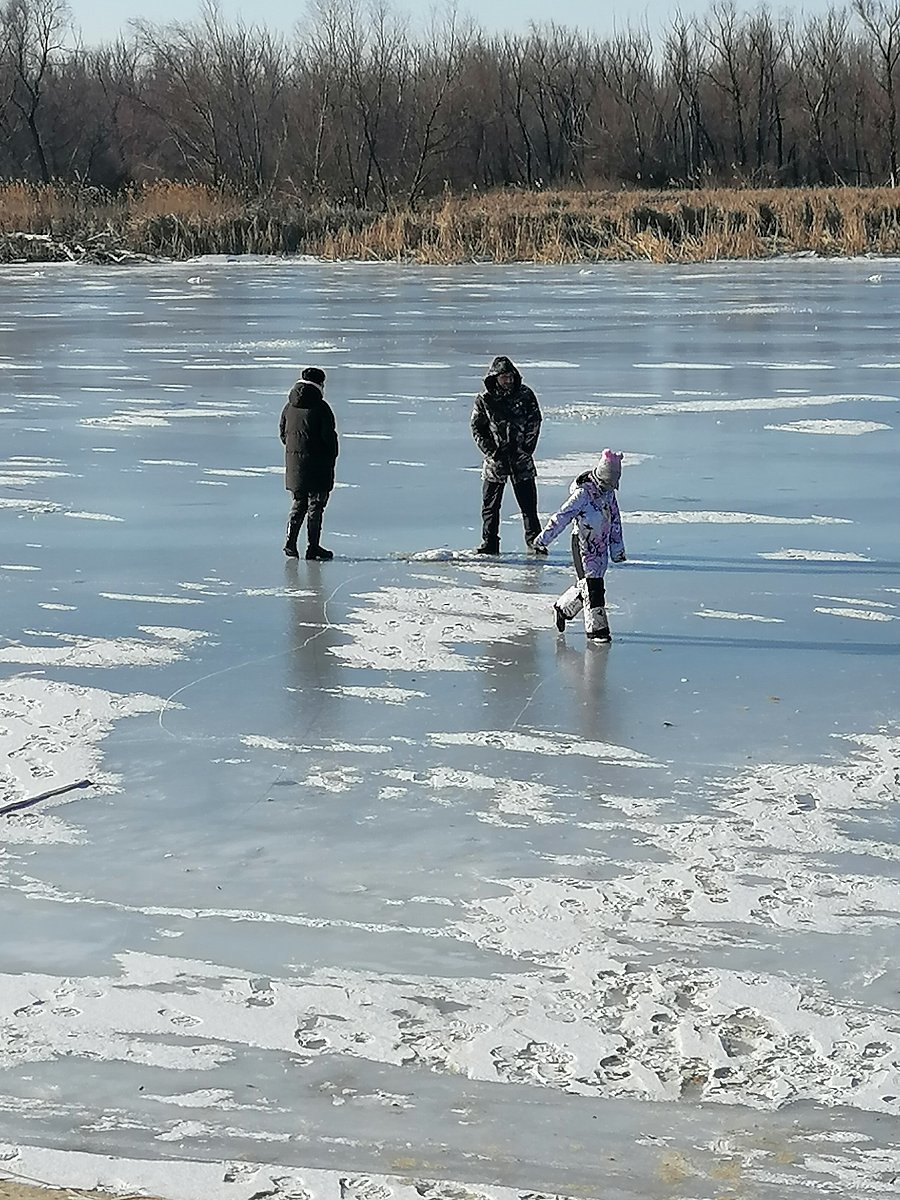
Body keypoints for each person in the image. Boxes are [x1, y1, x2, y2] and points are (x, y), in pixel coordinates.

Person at [532, 449, 627, 642]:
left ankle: (563, 608)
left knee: (589, 585)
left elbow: (615, 521)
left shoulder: (609, 494)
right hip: (583, 546)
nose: (611, 487)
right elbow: (561, 517)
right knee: (594, 588)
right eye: (609, 482)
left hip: (600, 547)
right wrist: (543, 539)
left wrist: (617, 550)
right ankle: (597, 631)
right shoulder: (583, 494)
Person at [470, 355, 544, 555]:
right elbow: (478, 428)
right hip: (496, 461)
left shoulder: (525, 395)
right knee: (490, 506)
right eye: (504, 377)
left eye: (510, 376)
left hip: (521, 459)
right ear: (495, 378)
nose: (508, 381)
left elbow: (535, 422)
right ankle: (489, 542)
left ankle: (534, 541)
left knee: (529, 505)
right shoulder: (485, 400)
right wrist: (492, 451)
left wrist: (526, 449)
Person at [279, 367, 338, 561]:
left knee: (298, 504)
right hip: (318, 466)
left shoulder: (289, 407)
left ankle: (290, 543)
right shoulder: (321, 408)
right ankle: (313, 548)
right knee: (316, 507)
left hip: (296, 466)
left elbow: (283, 434)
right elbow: (329, 439)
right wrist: (331, 455)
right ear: (320, 384)